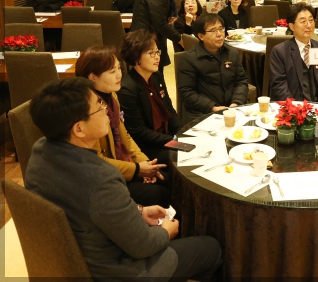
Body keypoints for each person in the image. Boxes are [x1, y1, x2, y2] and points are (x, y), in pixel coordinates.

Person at [26, 77, 222, 281]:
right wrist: (166, 232)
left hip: (77, 255)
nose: (105, 110)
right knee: (211, 248)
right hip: (118, 271)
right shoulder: (100, 178)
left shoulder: (40, 151)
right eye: (99, 106)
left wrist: (139, 211)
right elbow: (143, 246)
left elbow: (93, 209)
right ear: (79, 129)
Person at [75, 46, 170, 207]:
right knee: (159, 192)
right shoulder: (87, 108)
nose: (119, 75)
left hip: (121, 165)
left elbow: (125, 136)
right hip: (101, 179)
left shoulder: (112, 96)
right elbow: (95, 160)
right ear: (92, 77)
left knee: (165, 178)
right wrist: (137, 169)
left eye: (119, 68)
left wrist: (146, 164)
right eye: (112, 71)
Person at [118, 30, 182, 163]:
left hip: (165, 137)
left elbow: (169, 110)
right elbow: (139, 132)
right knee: (184, 157)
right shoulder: (127, 89)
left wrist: (182, 133)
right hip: (147, 146)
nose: (157, 57)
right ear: (136, 57)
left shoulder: (156, 76)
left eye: (157, 52)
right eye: (151, 53)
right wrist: (174, 140)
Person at [177, 14, 249, 125]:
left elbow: (241, 81)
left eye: (221, 29)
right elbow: (187, 92)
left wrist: (236, 103)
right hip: (202, 113)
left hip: (232, 109)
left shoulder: (232, 53)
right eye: (213, 30)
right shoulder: (188, 58)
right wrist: (213, 107)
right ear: (201, 36)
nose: (219, 34)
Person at [270, 2, 318, 103]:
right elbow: (279, 87)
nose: (309, 25)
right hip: (293, 108)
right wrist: (296, 109)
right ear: (292, 26)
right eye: (303, 21)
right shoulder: (280, 52)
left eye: (311, 20)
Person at [130, 0, 186, 71]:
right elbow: (159, 23)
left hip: (143, 36)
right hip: (146, 40)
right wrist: (179, 38)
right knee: (152, 76)